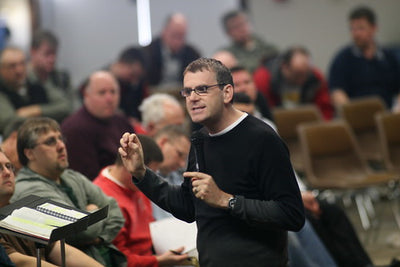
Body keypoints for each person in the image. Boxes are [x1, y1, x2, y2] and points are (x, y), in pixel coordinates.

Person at [119, 58, 305, 266]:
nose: (193, 98)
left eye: (202, 89)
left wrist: (228, 200)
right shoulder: (201, 139)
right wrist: (142, 174)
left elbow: (291, 214)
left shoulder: (262, 139)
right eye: (187, 91)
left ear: (227, 93)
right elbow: (189, 207)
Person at [11, 117, 126, 266]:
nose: (61, 146)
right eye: (50, 141)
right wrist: (94, 211)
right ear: (29, 154)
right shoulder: (29, 190)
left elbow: (115, 211)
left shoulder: (71, 176)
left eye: (60, 138)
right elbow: (79, 232)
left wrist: (98, 238)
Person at [94, 135, 189, 267]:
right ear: (131, 166)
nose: (148, 179)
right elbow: (120, 260)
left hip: (155, 252)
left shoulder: (137, 187)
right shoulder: (106, 199)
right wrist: (159, 261)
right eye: (149, 173)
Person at [0, 147, 104, 267]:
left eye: (8, 166)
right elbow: (20, 262)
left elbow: (62, 251)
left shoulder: (20, 211)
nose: (7, 172)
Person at [61, 71, 134, 180]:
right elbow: (85, 180)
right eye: (102, 93)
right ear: (86, 95)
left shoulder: (122, 122)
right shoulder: (74, 129)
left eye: (113, 92)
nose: (109, 99)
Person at [328, 6, 400, 111]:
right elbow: (337, 92)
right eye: (352, 29)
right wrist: (351, 112)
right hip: (356, 118)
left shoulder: (389, 57)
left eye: (361, 28)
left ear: (374, 28)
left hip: (386, 115)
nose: (356, 34)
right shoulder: (342, 59)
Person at [0, 46, 70, 134]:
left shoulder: (34, 82)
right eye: (12, 66)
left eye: (22, 63)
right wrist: (49, 114)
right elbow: (10, 122)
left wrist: (35, 110)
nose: (19, 70)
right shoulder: (2, 92)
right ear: (1, 69)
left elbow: (65, 107)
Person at [253, 46, 334, 120]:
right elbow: (265, 113)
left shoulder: (315, 77)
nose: (302, 80)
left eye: (306, 74)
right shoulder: (263, 79)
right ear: (284, 67)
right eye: (297, 75)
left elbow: (325, 109)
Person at [142, 13, 201, 89]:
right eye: (174, 35)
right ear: (164, 32)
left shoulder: (193, 55)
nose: (177, 41)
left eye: (181, 36)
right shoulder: (147, 53)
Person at [28, 30, 74, 111]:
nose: (52, 59)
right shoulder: (23, 78)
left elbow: (72, 107)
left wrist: (37, 110)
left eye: (54, 53)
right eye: (47, 54)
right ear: (33, 52)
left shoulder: (62, 77)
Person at [109, 46, 149, 122]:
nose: (135, 81)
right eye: (132, 74)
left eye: (138, 76)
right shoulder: (101, 81)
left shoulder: (138, 84)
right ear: (121, 65)